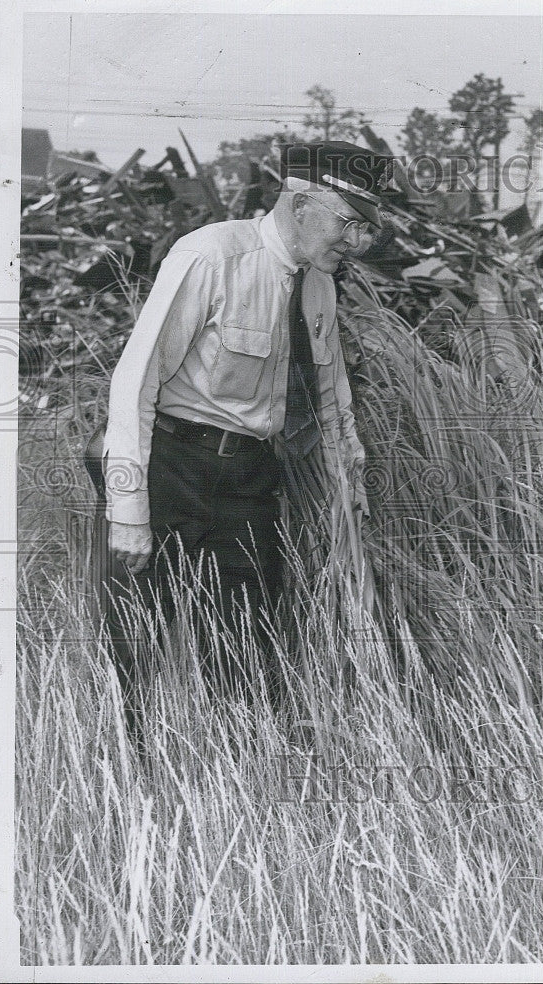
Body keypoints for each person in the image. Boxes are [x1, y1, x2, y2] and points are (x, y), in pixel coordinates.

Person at [92, 141, 392, 728]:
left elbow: (333, 398)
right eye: (349, 223)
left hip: (248, 478)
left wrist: (348, 484)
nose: (355, 242)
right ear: (300, 202)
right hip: (171, 467)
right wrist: (128, 511)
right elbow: (134, 383)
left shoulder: (318, 287)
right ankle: (126, 773)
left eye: (366, 230)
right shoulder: (211, 255)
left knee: (246, 644)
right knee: (135, 640)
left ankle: (240, 772)